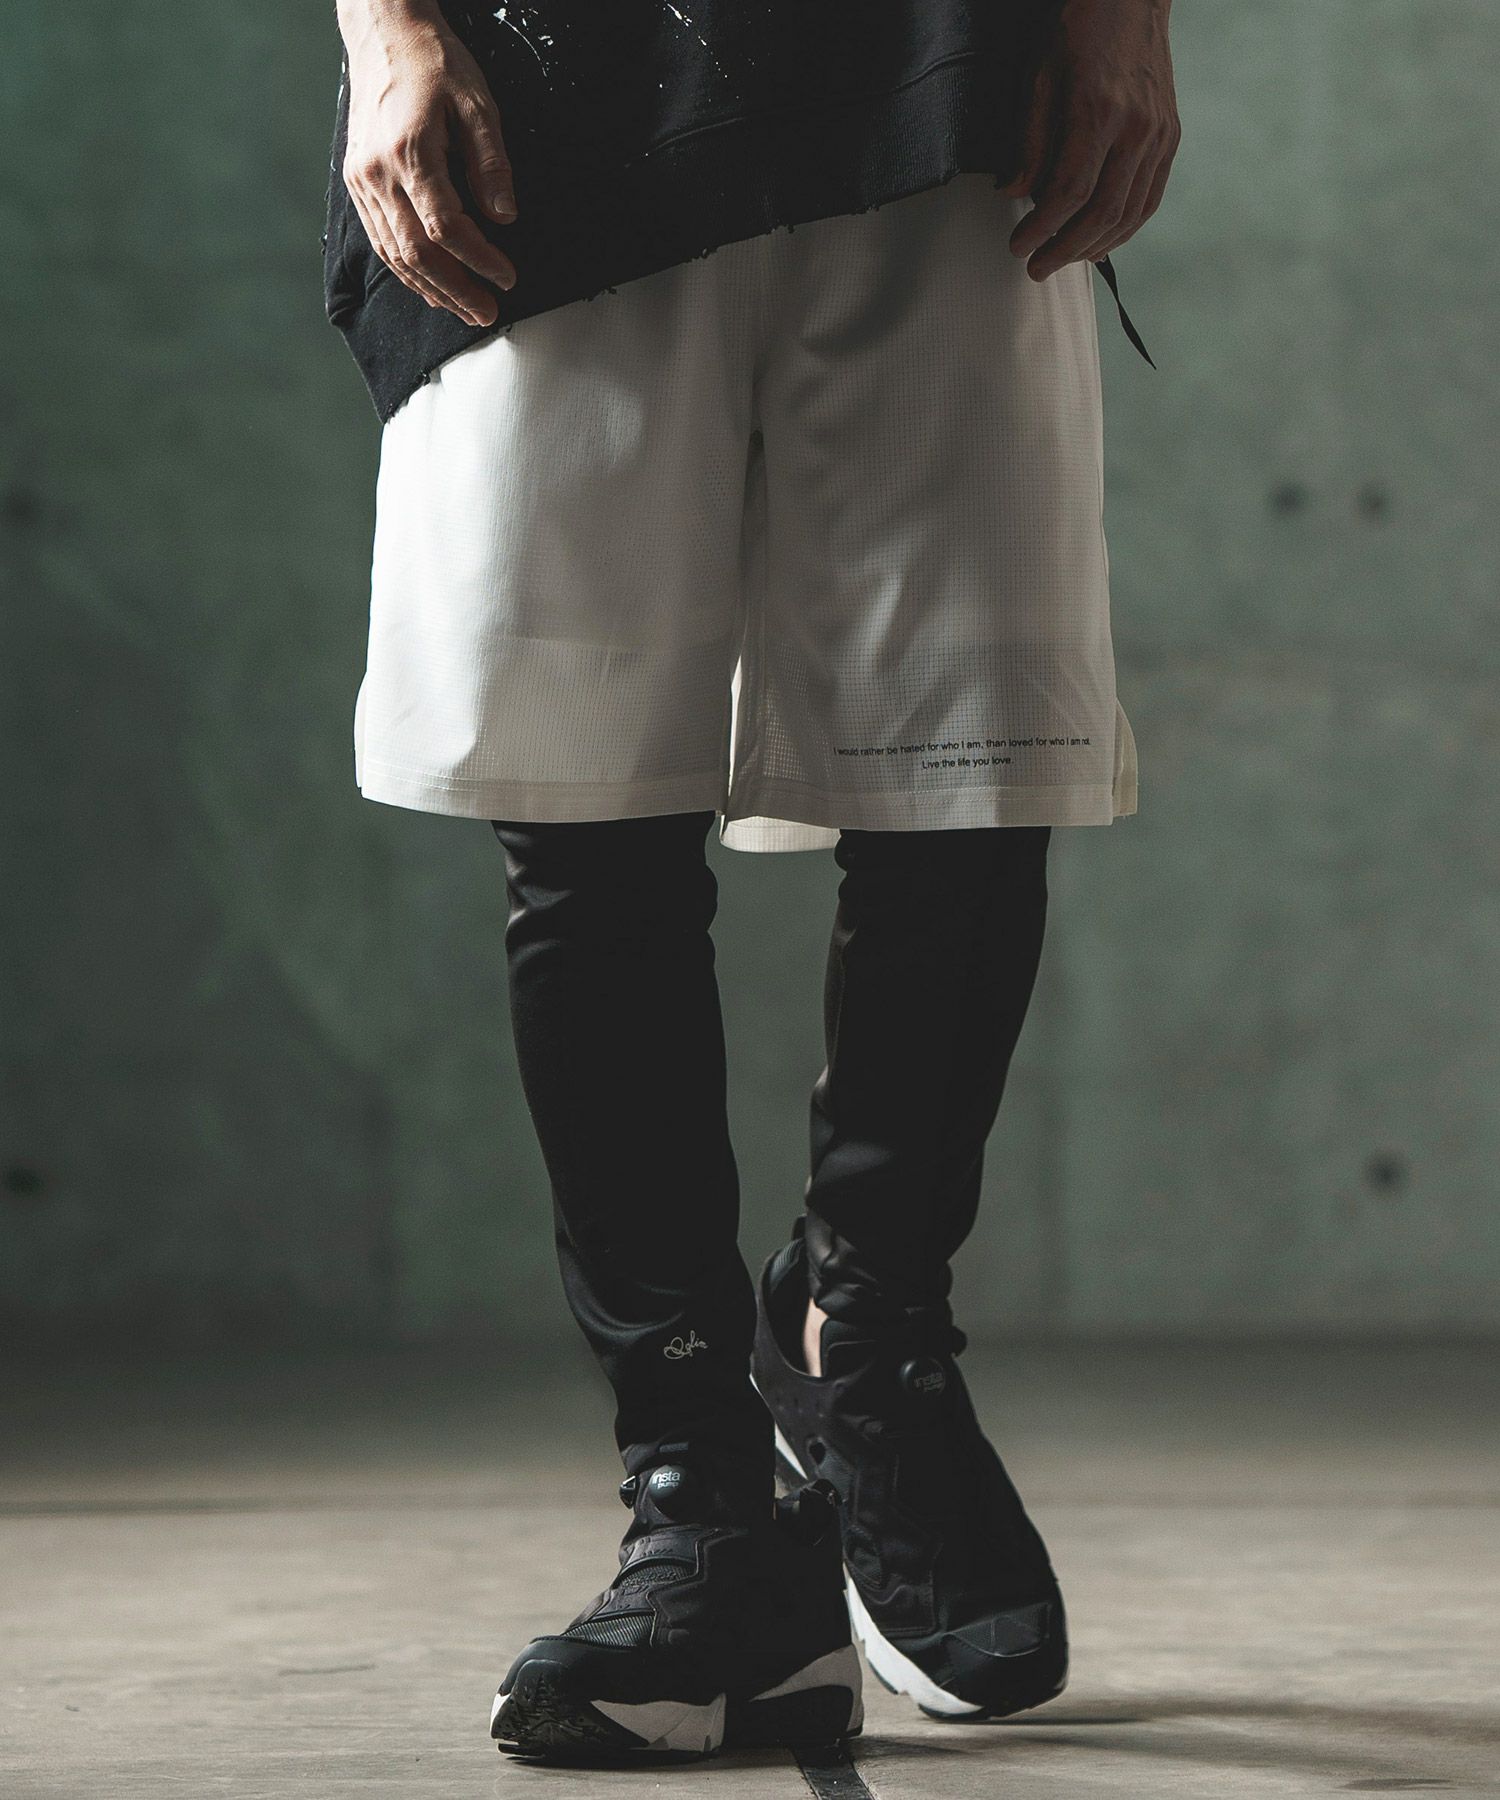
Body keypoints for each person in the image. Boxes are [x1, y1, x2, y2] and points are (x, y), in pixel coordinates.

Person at [325, 0, 1180, 1764]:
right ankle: (701, 1503)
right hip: (543, 85)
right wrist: (387, 29)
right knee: (581, 804)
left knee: (968, 765)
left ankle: (867, 1345)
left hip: (949, 68)